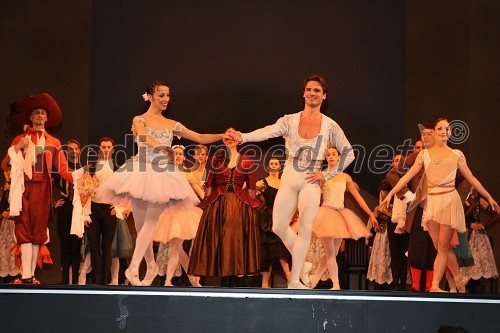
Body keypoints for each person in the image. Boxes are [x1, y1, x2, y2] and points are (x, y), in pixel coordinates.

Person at [226, 75, 354, 289]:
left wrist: (326, 174)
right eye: (309, 90)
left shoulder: (330, 125)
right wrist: (244, 136)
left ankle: (294, 280)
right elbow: (267, 131)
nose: (313, 93)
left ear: (324, 96)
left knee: (304, 227)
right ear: (304, 93)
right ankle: (302, 263)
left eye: (317, 90)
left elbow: (349, 154)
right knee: (278, 226)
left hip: (312, 178)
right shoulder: (290, 120)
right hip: (291, 174)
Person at [96, 80, 223, 286]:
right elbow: (144, 138)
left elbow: (198, 136)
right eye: (161, 95)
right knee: (139, 225)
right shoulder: (139, 120)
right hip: (140, 172)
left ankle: (133, 267)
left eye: (168, 95)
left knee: (150, 223)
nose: (165, 99)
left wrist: (221, 135)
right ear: (151, 96)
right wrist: (162, 148)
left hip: (162, 176)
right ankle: (151, 265)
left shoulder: (171, 124)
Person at [382, 118, 500, 292]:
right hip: (433, 203)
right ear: (434, 132)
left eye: (447, 128)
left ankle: (435, 285)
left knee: (442, 247)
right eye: (440, 128)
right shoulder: (424, 154)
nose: (444, 131)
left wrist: (488, 197)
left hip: (448, 201)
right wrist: (391, 194)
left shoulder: (457, 154)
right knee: (439, 246)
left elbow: (471, 178)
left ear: (450, 133)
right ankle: (459, 278)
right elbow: (406, 177)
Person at [7, 93, 73, 284]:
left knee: (38, 231)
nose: (39, 116)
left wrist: (78, 177)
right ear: (30, 117)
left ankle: (31, 274)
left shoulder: (53, 142)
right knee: (23, 228)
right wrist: (18, 148)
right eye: (36, 113)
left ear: (47, 118)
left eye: (43, 113)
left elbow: (62, 169)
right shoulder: (20, 139)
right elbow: (6, 165)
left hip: (43, 189)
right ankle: (26, 274)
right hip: (23, 188)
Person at [188, 129, 261, 286]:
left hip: (239, 203)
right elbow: (209, 183)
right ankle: (223, 274)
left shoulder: (247, 160)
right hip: (219, 202)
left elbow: (251, 186)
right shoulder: (217, 160)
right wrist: (206, 200)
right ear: (223, 140)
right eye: (227, 136)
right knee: (220, 238)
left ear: (238, 139)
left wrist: (252, 206)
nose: (230, 138)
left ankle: (238, 274)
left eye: (233, 135)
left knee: (237, 238)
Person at [308, 147, 375, 290]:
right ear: (325, 158)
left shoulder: (345, 177)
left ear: (339, 157)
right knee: (331, 253)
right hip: (326, 213)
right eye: (328, 155)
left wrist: (370, 213)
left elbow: (358, 198)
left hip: (340, 215)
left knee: (333, 252)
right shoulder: (322, 175)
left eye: (333, 154)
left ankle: (315, 278)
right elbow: (313, 196)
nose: (331, 157)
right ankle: (336, 284)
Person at [386, 125, 437, 292]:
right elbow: (392, 174)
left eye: (430, 134)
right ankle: (415, 287)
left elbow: (463, 178)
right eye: (424, 135)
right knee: (415, 250)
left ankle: (431, 287)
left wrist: (454, 197)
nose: (426, 137)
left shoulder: (445, 157)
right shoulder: (413, 158)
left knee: (434, 250)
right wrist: (409, 195)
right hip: (419, 210)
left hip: (439, 209)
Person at [153, 145, 203, 287]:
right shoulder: (164, 175)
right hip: (169, 214)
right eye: (176, 154)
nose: (178, 156)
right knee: (178, 250)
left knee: (176, 248)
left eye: (181, 154)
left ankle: (169, 281)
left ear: (184, 157)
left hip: (183, 215)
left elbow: (200, 194)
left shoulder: (187, 175)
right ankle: (193, 279)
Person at [83, 137, 120, 285]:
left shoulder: (117, 167)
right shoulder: (91, 167)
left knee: (107, 246)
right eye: (103, 147)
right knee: (93, 245)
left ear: (112, 149)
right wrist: (85, 213)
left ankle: (105, 281)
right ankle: (96, 281)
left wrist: (118, 207)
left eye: (108, 147)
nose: (106, 149)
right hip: (93, 208)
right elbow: (84, 191)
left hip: (109, 209)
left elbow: (123, 190)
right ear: (99, 149)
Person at [256, 157, 292, 288]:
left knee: (280, 249)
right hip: (267, 219)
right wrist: (263, 205)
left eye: (276, 163)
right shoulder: (262, 183)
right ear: (268, 166)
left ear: (279, 167)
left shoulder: (284, 183)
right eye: (271, 163)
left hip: (280, 217)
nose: (274, 165)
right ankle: (264, 283)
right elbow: (255, 198)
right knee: (267, 251)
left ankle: (289, 278)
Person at [54, 139, 82, 285]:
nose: (73, 151)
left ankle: (76, 282)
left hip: (78, 210)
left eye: (76, 149)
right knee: (65, 245)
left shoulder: (84, 168)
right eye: (70, 149)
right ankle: (65, 280)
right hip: (65, 208)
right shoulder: (60, 168)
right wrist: (53, 203)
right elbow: (47, 186)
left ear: (79, 150)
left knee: (76, 246)